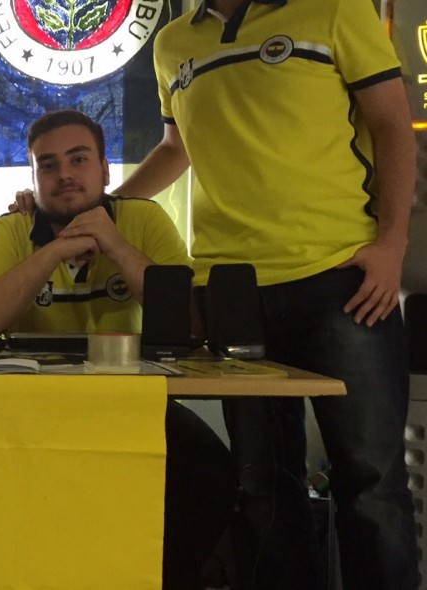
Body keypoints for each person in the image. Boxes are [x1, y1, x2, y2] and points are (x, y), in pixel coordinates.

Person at [114, 0, 416, 587]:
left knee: (372, 485)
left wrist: (392, 245)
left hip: (342, 280)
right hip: (232, 294)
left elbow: (391, 125)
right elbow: (176, 148)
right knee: (263, 486)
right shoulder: (172, 42)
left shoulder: (335, 9)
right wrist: (104, 207)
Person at [0, 109, 235, 589]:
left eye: (78, 159)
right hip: (30, 407)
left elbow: (191, 328)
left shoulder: (143, 218)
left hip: (129, 403)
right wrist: (54, 251)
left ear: (106, 171)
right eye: (48, 165)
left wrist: (116, 246)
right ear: (34, 179)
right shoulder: (11, 229)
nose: (64, 174)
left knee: (210, 472)